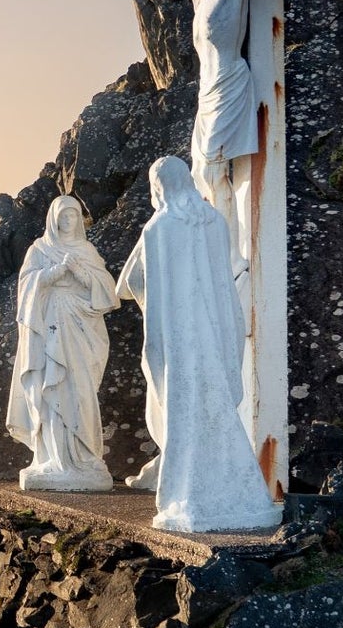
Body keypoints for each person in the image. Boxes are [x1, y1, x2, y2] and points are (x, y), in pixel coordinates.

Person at [157, 0, 319, 309]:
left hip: (230, 82)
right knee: (202, 173)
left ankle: (230, 252)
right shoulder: (196, 2)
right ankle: (221, 245)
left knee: (213, 168)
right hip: (205, 93)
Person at [118, 157, 281, 532]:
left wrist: (154, 349)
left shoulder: (158, 229)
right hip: (214, 332)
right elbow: (223, 287)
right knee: (219, 413)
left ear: (158, 186)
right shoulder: (215, 222)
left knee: (185, 419)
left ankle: (188, 496)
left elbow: (155, 300)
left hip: (180, 341)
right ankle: (240, 496)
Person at [6, 195, 119, 491]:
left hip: (80, 329)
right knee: (51, 391)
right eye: (63, 216)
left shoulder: (86, 250)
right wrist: (56, 272)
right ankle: (54, 461)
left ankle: (84, 458)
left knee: (80, 390)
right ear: (53, 219)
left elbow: (108, 292)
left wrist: (81, 273)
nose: (68, 221)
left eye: (74, 216)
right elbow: (26, 287)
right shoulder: (40, 249)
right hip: (48, 329)